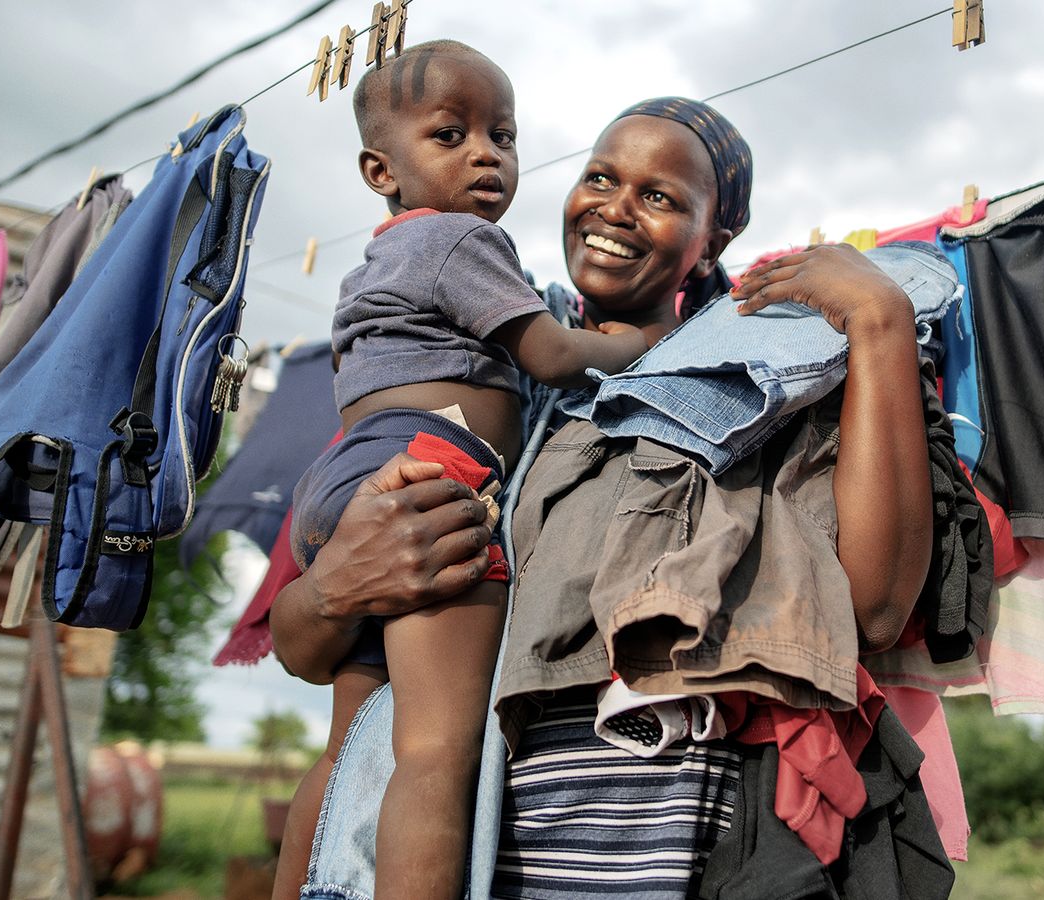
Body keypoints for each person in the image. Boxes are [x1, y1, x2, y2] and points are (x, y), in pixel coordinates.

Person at [272, 96, 933, 898]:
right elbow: (302, 648)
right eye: (600, 178)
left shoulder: (763, 376)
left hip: (661, 858)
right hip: (472, 855)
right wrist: (338, 584)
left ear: (713, 240)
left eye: (660, 197)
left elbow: (876, 608)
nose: (615, 209)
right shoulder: (479, 377)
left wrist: (881, 323)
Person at [276, 40, 648, 900]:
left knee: (345, 749)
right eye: (451, 134)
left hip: (351, 480)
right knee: (438, 751)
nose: (487, 154)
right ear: (381, 168)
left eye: (504, 135)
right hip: (433, 470)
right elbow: (554, 355)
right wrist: (642, 344)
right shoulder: (458, 242)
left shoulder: (386, 255)